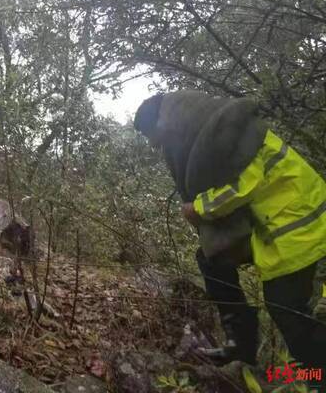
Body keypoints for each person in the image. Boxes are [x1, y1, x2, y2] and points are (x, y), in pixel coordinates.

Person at [134, 90, 326, 372]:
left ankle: (315, 376)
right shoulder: (211, 132)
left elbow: (243, 187)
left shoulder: (231, 135)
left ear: (161, 122)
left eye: (151, 135)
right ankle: (241, 344)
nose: (153, 145)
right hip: (276, 223)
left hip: (298, 223)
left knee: (285, 307)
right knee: (211, 259)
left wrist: (197, 208)